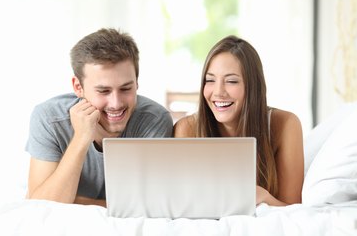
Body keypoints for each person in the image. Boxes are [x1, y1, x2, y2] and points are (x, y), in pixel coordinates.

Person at [25, 28, 173, 207]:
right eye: (104, 91)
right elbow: (39, 205)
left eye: (126, 88)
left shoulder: (154, 120)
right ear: (78, 87)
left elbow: (150, 204)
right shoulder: (49, 119)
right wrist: (81, 138)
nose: (116, 103)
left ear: (137, 82)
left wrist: (74, 200)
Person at [173, 35, 304, 206]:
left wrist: (263, 197)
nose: (218, 92)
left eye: (231, 81)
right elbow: (179, 204)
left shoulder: (286, 125)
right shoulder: (187, 129)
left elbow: (294, 210)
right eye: (210, 80)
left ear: (253, 87)